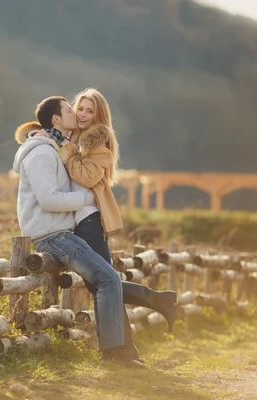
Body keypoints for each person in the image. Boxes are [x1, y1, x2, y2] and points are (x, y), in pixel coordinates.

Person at [12, 95, 144, 368]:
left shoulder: (56, 146)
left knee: (107, 279)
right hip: (52, 236)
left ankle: (118, 350)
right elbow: (49, 199)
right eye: (71, 109)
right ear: (57, 119)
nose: (77, 113)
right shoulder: (41, 153)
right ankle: (113, 353)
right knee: (108, 279)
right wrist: (88, 200)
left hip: (62, 232)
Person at [54, 88, 177, 362]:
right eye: (81, 109)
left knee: (103, 284)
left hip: (90, 222)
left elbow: (85, 177)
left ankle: (150, 310)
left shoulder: (98, 143)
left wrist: (69, 154)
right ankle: (129, 347)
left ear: (99, 116)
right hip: (79, 221)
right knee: (105, 286)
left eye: (90, 111)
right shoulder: (74, 138)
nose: (84, 115)